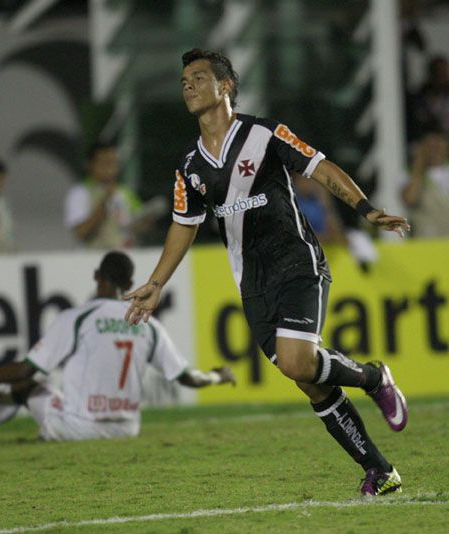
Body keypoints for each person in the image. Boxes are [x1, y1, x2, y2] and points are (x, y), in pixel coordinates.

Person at [125, 49, 411, 497]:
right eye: (184, 81)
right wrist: (156, 284)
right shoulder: (189, 165)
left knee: (299, 360)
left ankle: (375, 379)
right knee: (307, 380)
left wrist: (366, 209)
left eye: (199, 78)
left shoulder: (264, 134)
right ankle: (380, 470)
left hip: (298, 262)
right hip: (252, 282)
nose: (188, 86)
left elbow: (321, 167)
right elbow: (184, 225)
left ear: (226, 86)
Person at [0, 251, 236, 443]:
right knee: (34, 385)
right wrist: (218, 376)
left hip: (79, 428)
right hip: (126, 430)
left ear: (97, 277)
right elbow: (187, 377)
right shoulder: (148, 325)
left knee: (24, 384)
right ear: (130, 282)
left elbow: (25, 368)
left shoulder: (79, 318)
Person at [64, 141, 164, 248]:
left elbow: (136, 226)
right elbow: (81, 233)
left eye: (114, 163)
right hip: (95, 258)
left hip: (127, 255)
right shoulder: (80, 193)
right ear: (91, 165)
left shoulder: (125, 193)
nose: (110, 169)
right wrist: (104, 204)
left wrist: (145, 223)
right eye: (106, 163)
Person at [402, 128, 449, 237]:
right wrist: (419, 165)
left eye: (438, 145)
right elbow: (410, 199)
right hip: (427, 243)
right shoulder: (408, 174)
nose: (435, 150)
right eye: (429, 146)